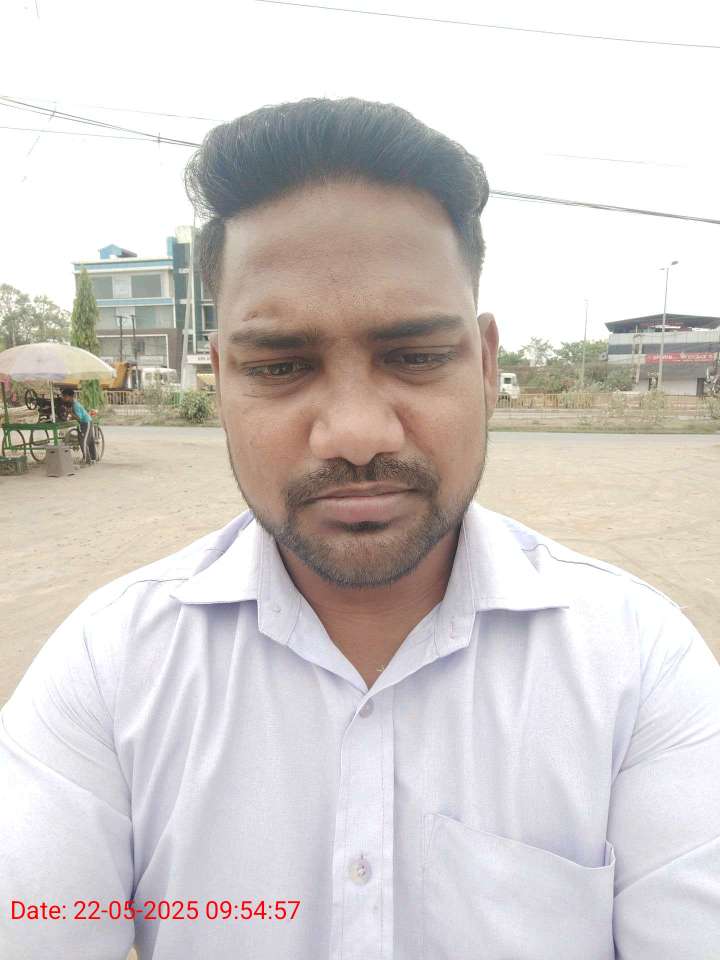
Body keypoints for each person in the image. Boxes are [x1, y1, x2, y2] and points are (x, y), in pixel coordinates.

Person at [2, 99, 719, 960]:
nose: (355, 434)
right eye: (280, 366)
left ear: (486, 365)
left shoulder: (637, 664)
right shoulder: (111, 668)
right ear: (220, 379)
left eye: (415, 357)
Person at [60, 386, 96, 463]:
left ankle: (87, 460)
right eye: (63, 396)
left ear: (70, 397)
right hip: (83, 423)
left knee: (84, 441)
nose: (63, 398)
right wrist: (69, 416)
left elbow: (79, 418)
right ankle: (93, 458)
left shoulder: (75, 405)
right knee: (87, 440)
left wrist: (70, 413)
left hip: (86, 422)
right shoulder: (72, 404)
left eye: (65, 396)